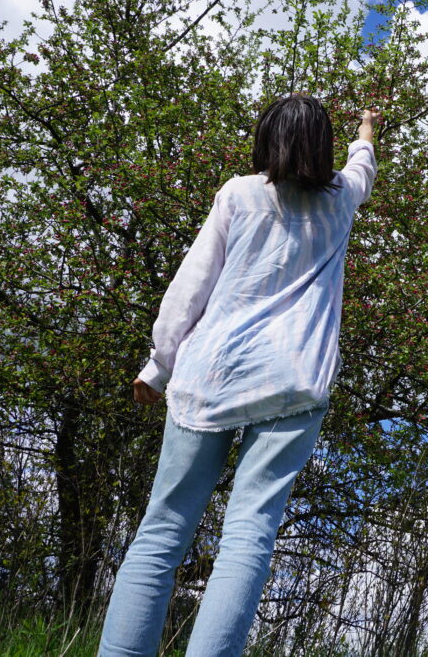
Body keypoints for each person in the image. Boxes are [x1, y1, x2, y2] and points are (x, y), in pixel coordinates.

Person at [97, 93, 380, 656]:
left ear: (265, 140)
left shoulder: (238, 193)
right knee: (248, 536)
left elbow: (191, 286)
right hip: (293, 382)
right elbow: (362, 166)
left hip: (211, 374)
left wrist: (159, 366)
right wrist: (367, 128)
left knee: (162, 532)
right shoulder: (341, 199)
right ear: (321, 148)